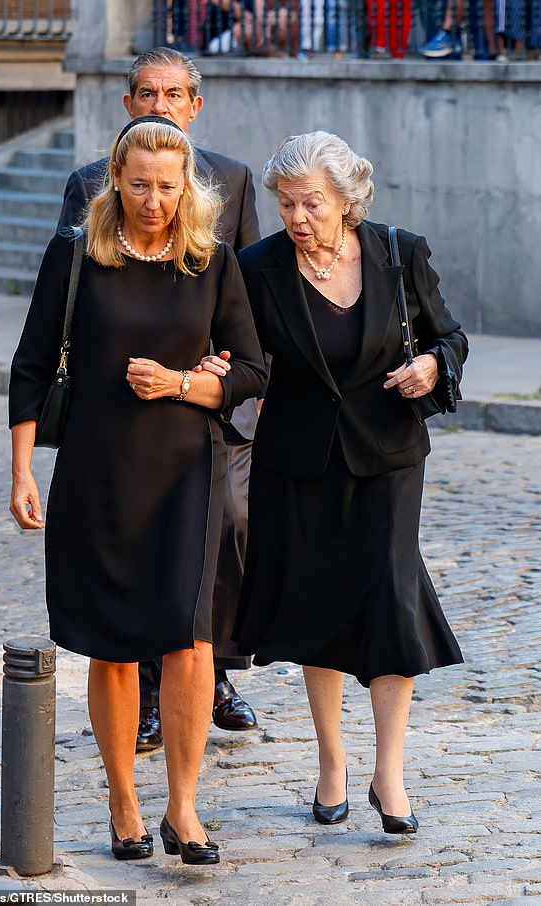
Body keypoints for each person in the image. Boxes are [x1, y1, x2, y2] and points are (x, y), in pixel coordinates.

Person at [9, 116, 265, 863]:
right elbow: (30, 365)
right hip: (95, 472)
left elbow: (251, 368)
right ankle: (124, 800)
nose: (154, 200)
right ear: (115, 181)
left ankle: (184, 809)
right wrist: (23, 469)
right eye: (140, 184)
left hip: (188, 470)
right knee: (113, 647)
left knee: (190, 642)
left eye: (168, 185)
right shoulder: (75, 255)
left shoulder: (210, 260)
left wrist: (185, 382)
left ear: (187, 184)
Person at [232, 131, 467, 834]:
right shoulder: (258, 267)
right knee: (319, 606)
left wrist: (432, 367)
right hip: (298, 465)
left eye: (311, 203)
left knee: (392, 606)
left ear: (347, 201)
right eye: (285, 203)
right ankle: (332, 761)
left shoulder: (399, 252)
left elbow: (448, 337)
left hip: (389, 456)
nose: (296, 218)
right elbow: (240, 357)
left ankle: (388, 772)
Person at [56, 47, 262, 752]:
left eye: (174, 93)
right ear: (128, 103)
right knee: (136, 546)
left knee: (227, 527)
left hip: (207, 403)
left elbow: (247, 293)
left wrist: (228, 361)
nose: (160, 104)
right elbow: (70, 300)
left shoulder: (231, 179)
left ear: (194, 105)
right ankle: (146, 691)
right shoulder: (90, 183)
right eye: (147, 92)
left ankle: (217, 673)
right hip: (120, 413)